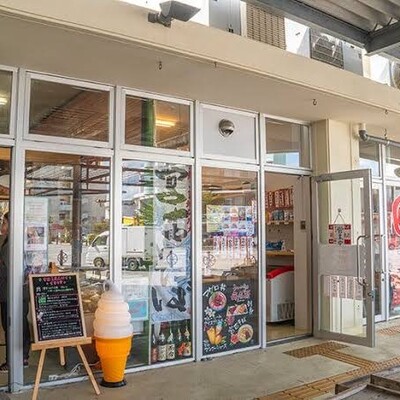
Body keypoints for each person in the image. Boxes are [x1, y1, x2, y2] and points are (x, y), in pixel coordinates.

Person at [0, 212, 30, 371]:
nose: (2, 226)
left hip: (10, 294)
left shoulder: (9, 246)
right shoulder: (19, 242)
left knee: (11, 326)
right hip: (20, 293)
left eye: (4, 223)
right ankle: (23, 358)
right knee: (21, 324)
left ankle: (13, 361)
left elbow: (12, 271)